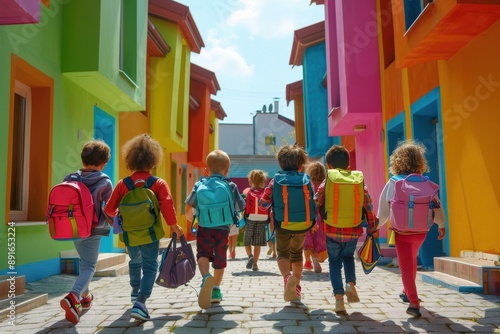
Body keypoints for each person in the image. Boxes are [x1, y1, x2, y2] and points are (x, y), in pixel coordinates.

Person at [104, 134, 183, 321]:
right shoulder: (158, 183)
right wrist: (174, 226)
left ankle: (134, 290)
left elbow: (108, 209)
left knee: (134, 261)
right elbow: (168, 206)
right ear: (154, 160)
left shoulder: (123, 184)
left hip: (130, 235)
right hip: (150, 234)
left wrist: (120, 223)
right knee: (150, 267)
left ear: (130, 159)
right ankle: (141, 302)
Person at [377, 140, 446, 318]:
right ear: (419, 161)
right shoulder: (427, 183)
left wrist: (375, 228)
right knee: (412, 260)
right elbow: (437, 206)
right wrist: (442, 224)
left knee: (406, 266)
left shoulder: (393, 182)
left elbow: (383, 210)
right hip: (421, 232)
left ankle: (414, 302)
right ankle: (406, 291)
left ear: (397, 161)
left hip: (402, 232)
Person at [314, 145, 378, 314]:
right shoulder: (357, 181)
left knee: (334, 264)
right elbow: (368, 205)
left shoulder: (326, 181)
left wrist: (311, 222)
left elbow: (316, 202)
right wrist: (372, 226)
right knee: (348, 258)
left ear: (328, 166)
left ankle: (339, 300)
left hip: (332, 231)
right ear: (348, 166)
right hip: (353, 230)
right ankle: (351, 284)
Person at [59, 139, 113, 325]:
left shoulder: (69, 178)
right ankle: (73, 297)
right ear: (104, 163)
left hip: (73, 229)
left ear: (82, 161)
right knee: (90, 266)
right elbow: (110, 208)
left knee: (84, 264)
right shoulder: (104, 182)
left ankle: (85, 297)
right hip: (93, 230)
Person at [185, 150, 245, 309]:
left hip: (204, 227)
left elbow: (188, 208)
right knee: (220, 257)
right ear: (226, 171)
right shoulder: (230, 185)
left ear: (206, 170)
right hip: (223, 228)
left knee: (202, 254)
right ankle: (216, 290)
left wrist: (194, 220)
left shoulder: (199, 185)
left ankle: (206, 277)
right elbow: (241, 206)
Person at [260, 144, 314, 302]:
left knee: (283, 253)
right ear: (301, 165)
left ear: (280, 163)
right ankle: (296, 287)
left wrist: (268, 204)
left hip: (283, 224)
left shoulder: (275, 181)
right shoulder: (306, 180)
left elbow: (263, 203)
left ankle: (286, 278)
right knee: (297, 254)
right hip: (303, 224)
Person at [303, 160, 328, 273]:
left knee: (308, 240)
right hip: (322, 218)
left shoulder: (308, 184)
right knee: (320, 240)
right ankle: (317, 258)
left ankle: (308, 260)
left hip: (309, 217)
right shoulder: (325, 184)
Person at [243, 169, 270, 271]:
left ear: (251, 180)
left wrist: (245, 215)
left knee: (247, 240)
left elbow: (248, 207)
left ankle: (250, 256)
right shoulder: (266, 192)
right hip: (263, 218)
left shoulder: (249, 192)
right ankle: (255, 264)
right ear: (263, 180)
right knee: (257, 243)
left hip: (251, 218)